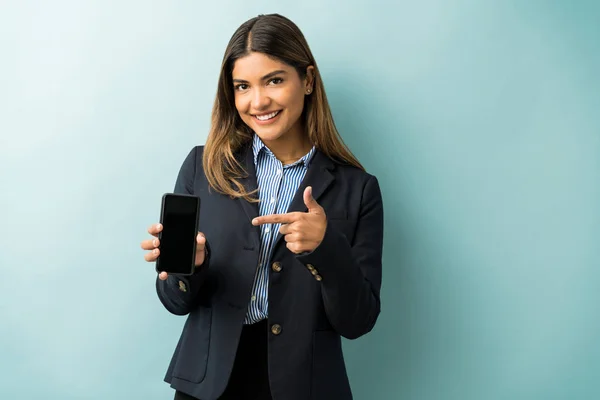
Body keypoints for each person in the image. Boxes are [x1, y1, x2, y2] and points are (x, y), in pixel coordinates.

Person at [140, 13, 384, 400]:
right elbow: (175, 300)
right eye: (242, 86)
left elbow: (358, 321)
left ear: (307, 80)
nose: (258, 101)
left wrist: (326, 249)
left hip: (304, 385)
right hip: (208, 383)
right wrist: (189, 266)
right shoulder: (203, 168)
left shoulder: (358, 189)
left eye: (274, 80)